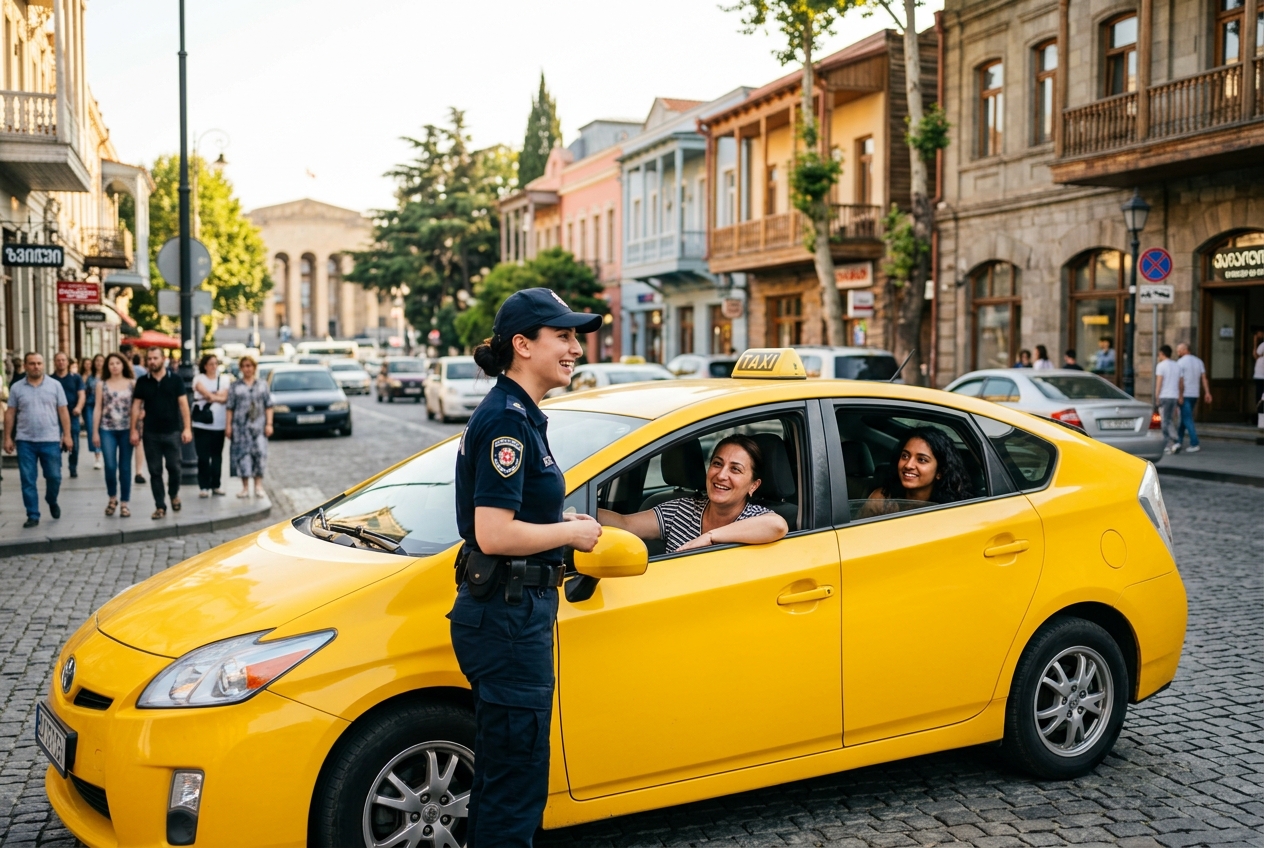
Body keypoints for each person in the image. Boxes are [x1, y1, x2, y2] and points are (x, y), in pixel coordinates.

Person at [448, 288, 603, 847]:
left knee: (504, 775)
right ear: (522, 344)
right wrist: (570, 531)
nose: (575, 348)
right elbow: (493, 532)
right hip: (508, 619)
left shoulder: (517, 414)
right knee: (516, 783)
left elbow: (507, 517)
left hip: (509, 613)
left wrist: (552, 518)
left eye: (575, 337)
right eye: (562, 336)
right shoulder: (508, 423)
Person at [598, 435, 788, 553]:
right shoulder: (681, 509)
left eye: (735, 469)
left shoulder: (755, 517)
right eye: (717, 464)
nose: (721, 475)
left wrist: (711, 537)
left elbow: (777, 526)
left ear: (753, 485)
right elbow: (625, 524)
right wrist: (575, 510)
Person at [4, 352, 72, 527]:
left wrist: (67, 435)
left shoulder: (55, 385)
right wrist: (7, 438)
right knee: (27, 479)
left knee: (54, 477)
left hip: (50, 440)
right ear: (26, 366)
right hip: (25, 440)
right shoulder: (17, 388)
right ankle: (33, 514)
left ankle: (51, 499)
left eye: (39, 363)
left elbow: (63, 411)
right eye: (32, 363)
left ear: (44, 365)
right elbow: (10, 413)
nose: (36, 367)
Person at [130, 348, 192, 519]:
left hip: (172, 431)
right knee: (155, 471)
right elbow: (136, 406)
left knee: (174, 468)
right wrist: (133, 429)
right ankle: (160, 506)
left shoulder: (176, 380)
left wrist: (187, 428)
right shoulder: (143, 381)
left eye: (155, 358)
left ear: (163, 359)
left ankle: (173, 494)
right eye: (149, 358)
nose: (152, 361)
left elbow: (184, 405)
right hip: (151, 433)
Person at [860, 428, 972, 518]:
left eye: (922, 460)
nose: (908, 465)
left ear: (940, 472)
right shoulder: (882, 500)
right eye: (905, 456)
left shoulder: (952, 512)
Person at [92, 352, 135, 517]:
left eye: (118, 363)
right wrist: (95, 432)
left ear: (123, 364)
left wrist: (136, 429)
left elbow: (137, 408)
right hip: (107, 429)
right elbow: (98, 408)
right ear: (107, 367)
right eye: (111, 364)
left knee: (125, 467)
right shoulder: (101, 385)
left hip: (126, 429)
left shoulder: (132, 383)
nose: (115, 366)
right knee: (110, 466)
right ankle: (112, 498)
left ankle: (125, 503)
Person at [224, 355, 272, 498]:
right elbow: (230, 407)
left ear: (254, 367)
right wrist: (228, 426)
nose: (247, 369)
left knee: (260, 455)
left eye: (249, 366)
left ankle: (258, 486)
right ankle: (245, 487)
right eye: (244, 366)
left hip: (259, 427)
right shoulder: (235, 386)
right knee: (242, 456)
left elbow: (269, 406)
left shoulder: (262, 385)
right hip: (240, 428)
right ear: (241, 368)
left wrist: (269, 423)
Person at [192, 353, 229, 497]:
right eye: (210, 364)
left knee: (217, 456)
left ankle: (216, 485)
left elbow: (225, 397)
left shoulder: (224, 379)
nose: (214, 367)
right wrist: (216, 397)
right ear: (205, 366)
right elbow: (203, 392)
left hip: (218, 423)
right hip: (201, 424)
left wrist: (214, 397)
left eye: (215, 364)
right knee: (202, 456)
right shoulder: (199, 378)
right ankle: (203, 486)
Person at [50, 352, 85, 478]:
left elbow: (81, 394)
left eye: (63, 360)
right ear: (54, 362)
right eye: (58, 360)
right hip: (54, 417)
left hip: (72, 414)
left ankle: (73, 467)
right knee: (55, 444)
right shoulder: (50, 379)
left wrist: (79, 407)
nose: (61, 362)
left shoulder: (75, 378)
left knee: (74, 444)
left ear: (67, 362)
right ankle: (56, 468)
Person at [1175, 341, 1211, 454]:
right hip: (1195, 394)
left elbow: (1180, 382)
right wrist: (1207, 392)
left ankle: (1194, 443)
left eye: (1179, 350)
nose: (1178, 352)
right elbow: (1204, 378)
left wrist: (1179, 395)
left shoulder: (1180, 363)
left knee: (1187, 419)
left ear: (1185, 350)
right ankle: (1178, 441)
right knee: (1184, 418)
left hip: (1184, 394)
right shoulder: (1198, 361)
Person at [1154, 344, 1182, 455]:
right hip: (1174, 396)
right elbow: (1181, 382)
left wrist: (1157, 396)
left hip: (1164, 395)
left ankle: (1171, 442)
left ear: (1162, 354)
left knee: (1164, 421)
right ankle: (1173, 441)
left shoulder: (1161, 366)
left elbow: (1159, 382)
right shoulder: (1177, 365)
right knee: (1169, 419)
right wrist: (1180, 395)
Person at [83, 354, 104, 470]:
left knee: (103, 430)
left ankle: (103, 453)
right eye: (97, 361)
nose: (99, 363)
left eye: (101, 361)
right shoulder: (89, 377)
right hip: (90, 406)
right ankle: (97, 456)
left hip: (104, 407)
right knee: (92, 429)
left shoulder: (107, 376)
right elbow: (84, 392)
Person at [1253, 329, 1264, 415]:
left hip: (1260, 376)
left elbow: (1255, 355)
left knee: (1260, 397)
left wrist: (1255, 341)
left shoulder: (1262, 345)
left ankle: (1260, 416)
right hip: (1260, 375)